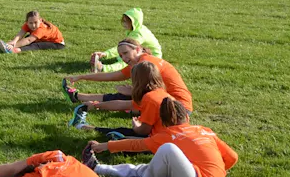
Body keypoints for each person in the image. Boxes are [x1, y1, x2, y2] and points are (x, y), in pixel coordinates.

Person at [83, 98, 238, 177]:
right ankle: (98, 168)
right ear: (187, 117)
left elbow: (135, 145)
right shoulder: (204, 130)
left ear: (163, 122)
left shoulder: (168, 135)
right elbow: (232, 157)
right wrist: (217, 172)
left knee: (167, 150)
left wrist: (104, 146)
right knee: (145, 168)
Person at [64, 38, 193, 112]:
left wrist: (132, 92)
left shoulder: (145, 64)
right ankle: (78, 97)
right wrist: (81, 77)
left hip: (177, 107)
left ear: (137, 49)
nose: (124, 58)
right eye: (121, 56)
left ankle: (88, 104)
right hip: (173, 103)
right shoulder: (139, 63)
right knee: (125, 96)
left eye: (126, 53)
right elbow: (111, 76)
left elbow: (152, 94)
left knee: (128, 99)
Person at [70, 61, 173, 140]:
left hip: (160, 140)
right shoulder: (161, 93)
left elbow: (143, 131)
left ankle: (83, 127)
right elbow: (122, 105)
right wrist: (97, 105)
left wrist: (136, 126)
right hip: (170, 137)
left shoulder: (149, 99)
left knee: (120, 133)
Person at [90, 8, 162, 72]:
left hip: (152, 57)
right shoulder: (136, 28)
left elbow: (124, 47)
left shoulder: (139, 34)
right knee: (124, 55)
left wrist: (106, 54)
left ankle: (104, 68)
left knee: (126, 60)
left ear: (134, 22)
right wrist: (105, 54)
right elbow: (124, 46)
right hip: (141, 51)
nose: (124, 24)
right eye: (123, 21)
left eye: (126, 21)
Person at [0, 10, 65, 53]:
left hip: (57, 43)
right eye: (31, 23)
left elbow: (29, 40)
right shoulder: (27, 24)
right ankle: (9, 46)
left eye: (36, 22)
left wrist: (13, 45)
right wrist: (14, 41)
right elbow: (21, 34)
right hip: (44, 39)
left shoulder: (41, 29)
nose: (33, 25)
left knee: (35, 45)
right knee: (27, 37)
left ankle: (14, 50)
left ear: (40, 20)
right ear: (27, 22)